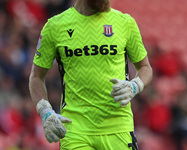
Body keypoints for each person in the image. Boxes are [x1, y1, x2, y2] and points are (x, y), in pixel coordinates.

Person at [29, 0, 153, 149]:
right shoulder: (55, 26)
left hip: (118, 127)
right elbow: (36, 77)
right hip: (75, 130)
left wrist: (135, 85)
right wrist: (45, 111)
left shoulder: (125, 23)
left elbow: (145, 67)